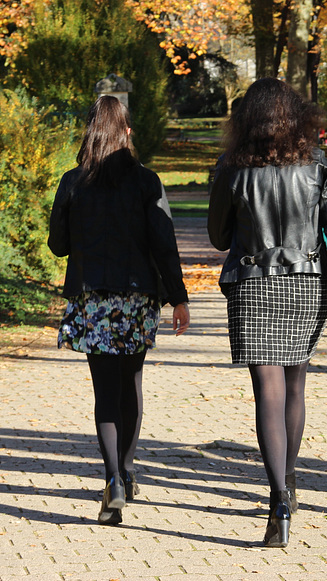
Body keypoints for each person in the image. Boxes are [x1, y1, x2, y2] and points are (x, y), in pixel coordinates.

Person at [208, 78, 327, 547]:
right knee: (296, 384)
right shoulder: (316, 165)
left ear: (246, 119)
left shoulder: (231, 167)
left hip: (253, 284)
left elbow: (220, 237)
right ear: (299, 117)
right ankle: (292, 483)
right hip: (305, 286)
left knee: (268, 392)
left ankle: (278, 496)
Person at [48, 96, 190, 526]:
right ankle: (126, 472)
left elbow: (58, 245)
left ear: (91, 131)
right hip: (136, 298)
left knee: (104, 393)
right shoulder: (147, 182)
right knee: (132, 385)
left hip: (93, 300)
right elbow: (164, 244)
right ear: (126, 132)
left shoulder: (73, 181)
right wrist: (178, 298)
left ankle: (111, 478)